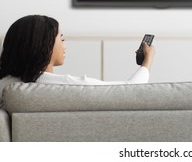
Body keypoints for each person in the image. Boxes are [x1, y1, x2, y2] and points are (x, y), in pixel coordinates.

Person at [0, 15, 155, 107]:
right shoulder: (72, 86)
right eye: (62, 39)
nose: (65, 46)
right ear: (44, 45)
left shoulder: (4, 86)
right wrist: (147, 61)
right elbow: (130, 91)